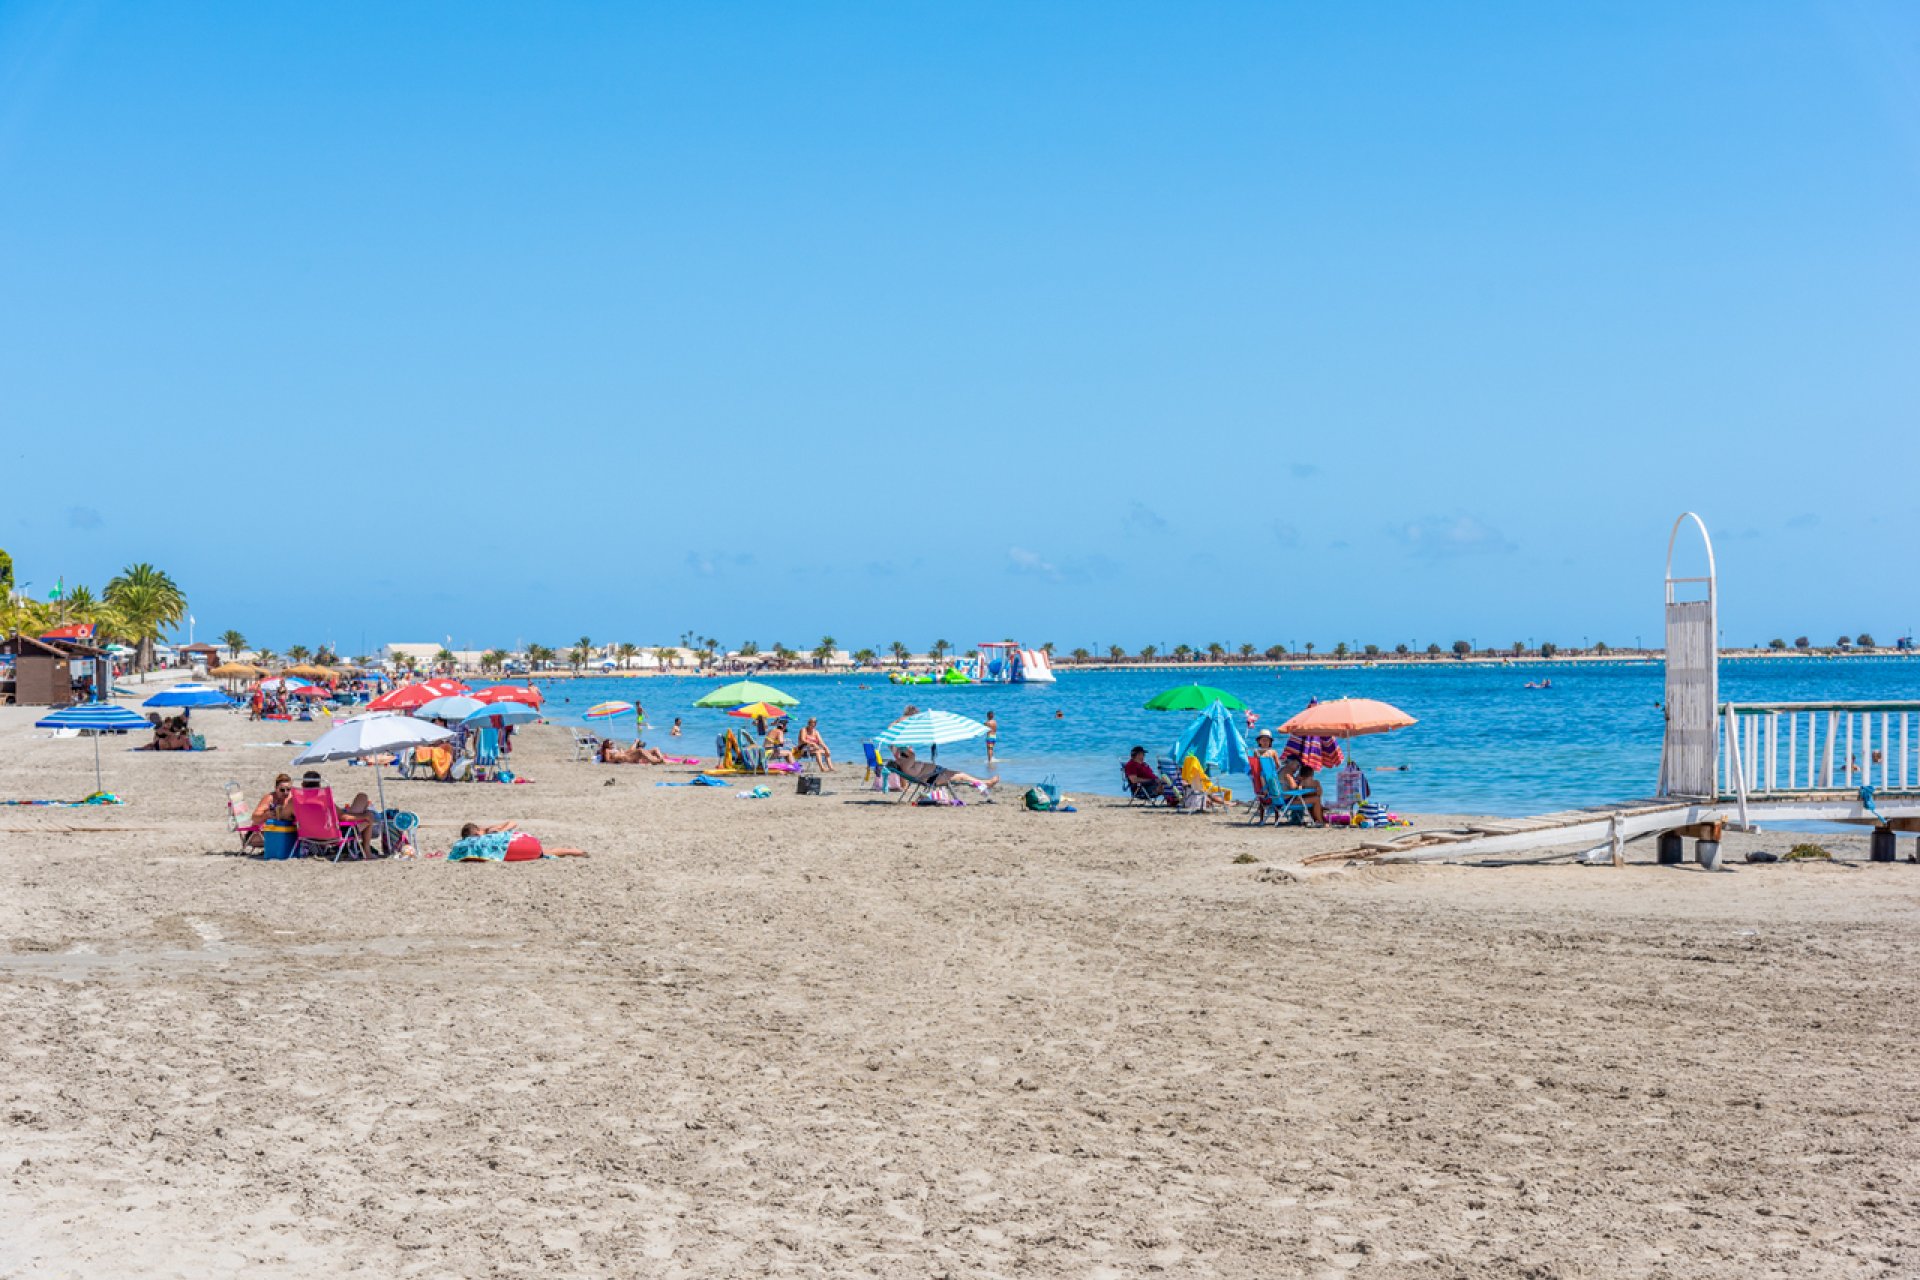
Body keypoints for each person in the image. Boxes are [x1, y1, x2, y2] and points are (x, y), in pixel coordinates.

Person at [449, 821, 588, 861]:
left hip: (514, 842)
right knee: (545, 852)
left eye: (476, 834)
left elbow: (513, 822)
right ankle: (575, 851)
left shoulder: (491, 829)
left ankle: (574, 851)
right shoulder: (483, 837)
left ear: (478, 829)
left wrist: (502, 830)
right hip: (519, 845)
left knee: (544, 851)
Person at [890, 746, 997, 794]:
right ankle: (986, 783)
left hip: (937, 773)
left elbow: (897, 751)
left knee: (962, 774)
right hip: (936, 777)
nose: (897, 759)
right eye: (896, 760)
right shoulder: (905, 765)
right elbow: (912, 755)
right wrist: (902, 748)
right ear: (896, 764)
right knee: (962, 776)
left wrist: (899, 748)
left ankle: (985, 783)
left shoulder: (904, 764)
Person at [245, 773, 295, 848]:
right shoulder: (270, 798)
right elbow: (254, 817)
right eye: (282, 790)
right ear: (276, 788)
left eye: (288, 789)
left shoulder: (290, 798)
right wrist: (266, 815)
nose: (285, 792)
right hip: (257, 834)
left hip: (277, 831)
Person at [1279, 754, 1326, 824]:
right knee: (1316, 799)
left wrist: (1296, 779)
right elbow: (1295, 788)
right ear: (1292, 763)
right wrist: (1300, 781)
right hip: (1287, 801)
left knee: (1311, 797)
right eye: (1297, 766)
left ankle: (1316, 819)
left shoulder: (1282, 771)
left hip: (1282, 800)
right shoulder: (1287, 774)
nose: (1298, 769)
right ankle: (1320, 821)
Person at [599, 739, 668, 765]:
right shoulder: (607, 750)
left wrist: (621, 751)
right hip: (626, 758)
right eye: (611, 744)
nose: (612, 744)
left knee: (655, 748)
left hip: (628, 755)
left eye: (612, 743)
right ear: (606, 745)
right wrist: (616, 759)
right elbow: (608, 760)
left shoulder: (615, 750)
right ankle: (655, 761)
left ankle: (661, 759)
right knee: (640, 750)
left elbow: (630, 751)